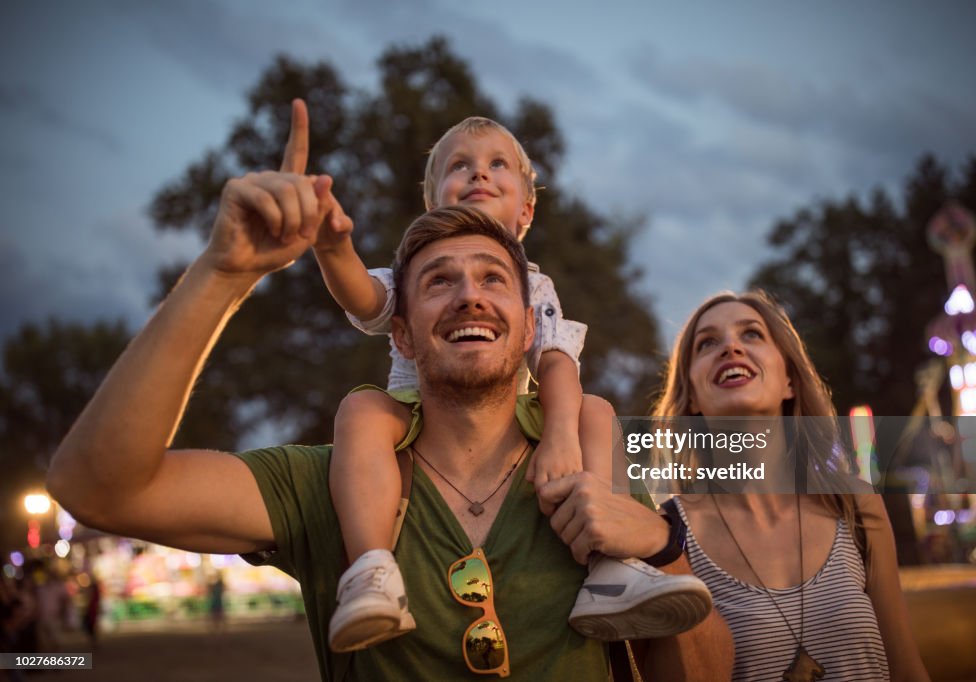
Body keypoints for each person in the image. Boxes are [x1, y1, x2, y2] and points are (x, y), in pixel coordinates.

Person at [46, 100, 732, 681]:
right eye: (439, 280)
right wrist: (225, 273)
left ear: (530, 326)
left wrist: (662, 545)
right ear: (400, 333)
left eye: (494, 278)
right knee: (362, 408)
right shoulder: (334, 482)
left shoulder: (596, 478)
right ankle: (372, 574)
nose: (469, 295)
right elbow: (97, 489)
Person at [312, 114, 710, 652]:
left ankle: (612, 569)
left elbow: (557, 362)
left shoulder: (536, 285)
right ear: (435, 204)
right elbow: (363, 296)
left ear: (525, 210)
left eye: (498, 164)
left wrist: (561, 435)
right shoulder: (410, 268)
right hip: (413, 409)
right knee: (360, 412)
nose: (480, 173)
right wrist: (332, 246)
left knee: (594, 410)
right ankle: (371, 572)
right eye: (460, 165)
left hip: (508, 411)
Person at [652, 290, 930, 681]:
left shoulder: (854, 505)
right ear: (692, 396)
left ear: (789, 381)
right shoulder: (668, 534)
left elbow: (906, 667)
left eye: (751, 334)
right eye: (708, 343)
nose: (730, 346)